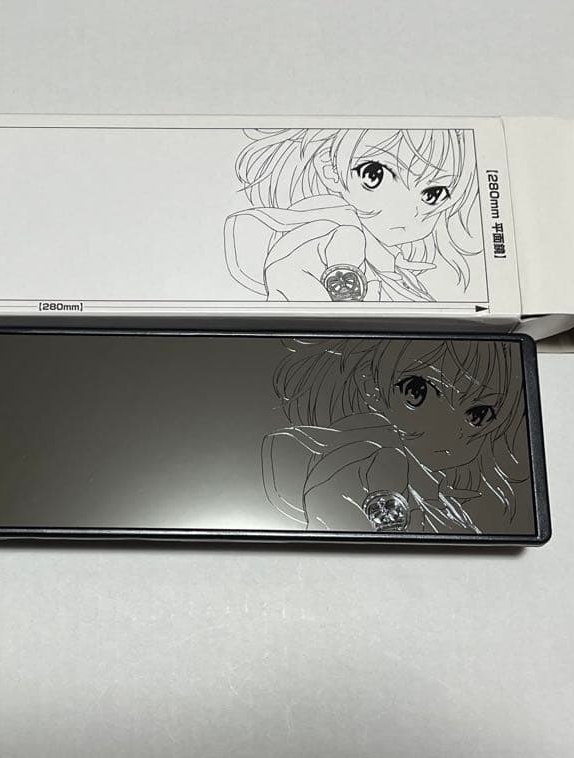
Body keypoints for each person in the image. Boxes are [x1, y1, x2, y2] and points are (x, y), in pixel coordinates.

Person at [262, 338, 529, 534]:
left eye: (477, 414)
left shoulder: (434, 489)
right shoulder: (377, 461)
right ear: (371, 387)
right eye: (417, 393)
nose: (446, 430)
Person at [224, 128, 483, 303]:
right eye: (374, 176)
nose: (403, 212)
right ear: (330, 169)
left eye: (432, 194)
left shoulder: (386, 259)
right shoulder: (340, 231)